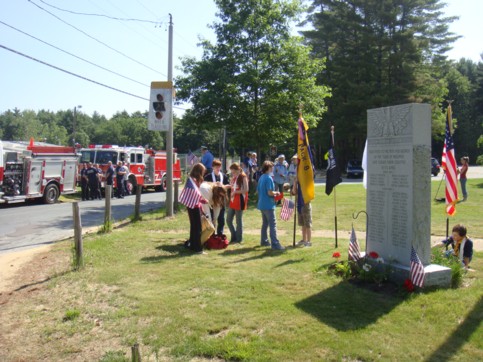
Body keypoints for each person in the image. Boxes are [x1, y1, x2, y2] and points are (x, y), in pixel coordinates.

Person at [257, 161, 285, 250]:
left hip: (262, 204)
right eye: (271, 167)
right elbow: (269, 192)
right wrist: (277, 192)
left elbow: (258, 190)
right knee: (273, 225)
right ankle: (275, 244)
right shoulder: (268, 178)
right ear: (268, 168)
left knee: (265, 224)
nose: (273, 169)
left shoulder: (261, 177)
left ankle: (264, 241)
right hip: (268, 204)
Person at [183, 163, 208, 254]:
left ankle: (192, 245)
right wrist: (203, 200)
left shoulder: (192, 179)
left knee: (194, 227)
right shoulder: (193, 180)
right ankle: (198, 249)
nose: (204, 173)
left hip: (192, 205)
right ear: (199, 171)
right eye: (203, 171)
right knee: (197, 227)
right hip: (194, 206)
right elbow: (196, 194)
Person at [204, 159, 230, 235]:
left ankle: (220, 233)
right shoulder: (208, 176)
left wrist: (223, 186)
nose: (218, 168)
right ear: (213, 167)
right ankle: (212, 233)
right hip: (211, 200)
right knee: (212, 217)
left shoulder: (224, 176)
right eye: (216, 167)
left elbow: (227, 186)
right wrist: (214, 184)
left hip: (221, 200)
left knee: (221, 218)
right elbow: (205, 185)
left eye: (219, 167)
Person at [226, 162, 249, 244]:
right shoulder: (234, 177)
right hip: (233, 201)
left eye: (234, 171)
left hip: (240, 201)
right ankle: (234, 236)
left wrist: (235, 192)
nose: (232, 173)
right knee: (228, 220)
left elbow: (246, 189)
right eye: (232, 172)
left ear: (238, 169)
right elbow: (232, 186)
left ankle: (238, 239)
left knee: (238, 221)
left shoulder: (243, 177)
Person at [291, 180, 313, 247]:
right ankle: (304, 240)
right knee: (303, 224)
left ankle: (308, 241)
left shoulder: (306, 180)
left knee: (307, 224)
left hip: (306, 204)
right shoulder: (298, 181)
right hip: (299, 204)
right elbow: (294, 192)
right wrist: (295, 183)